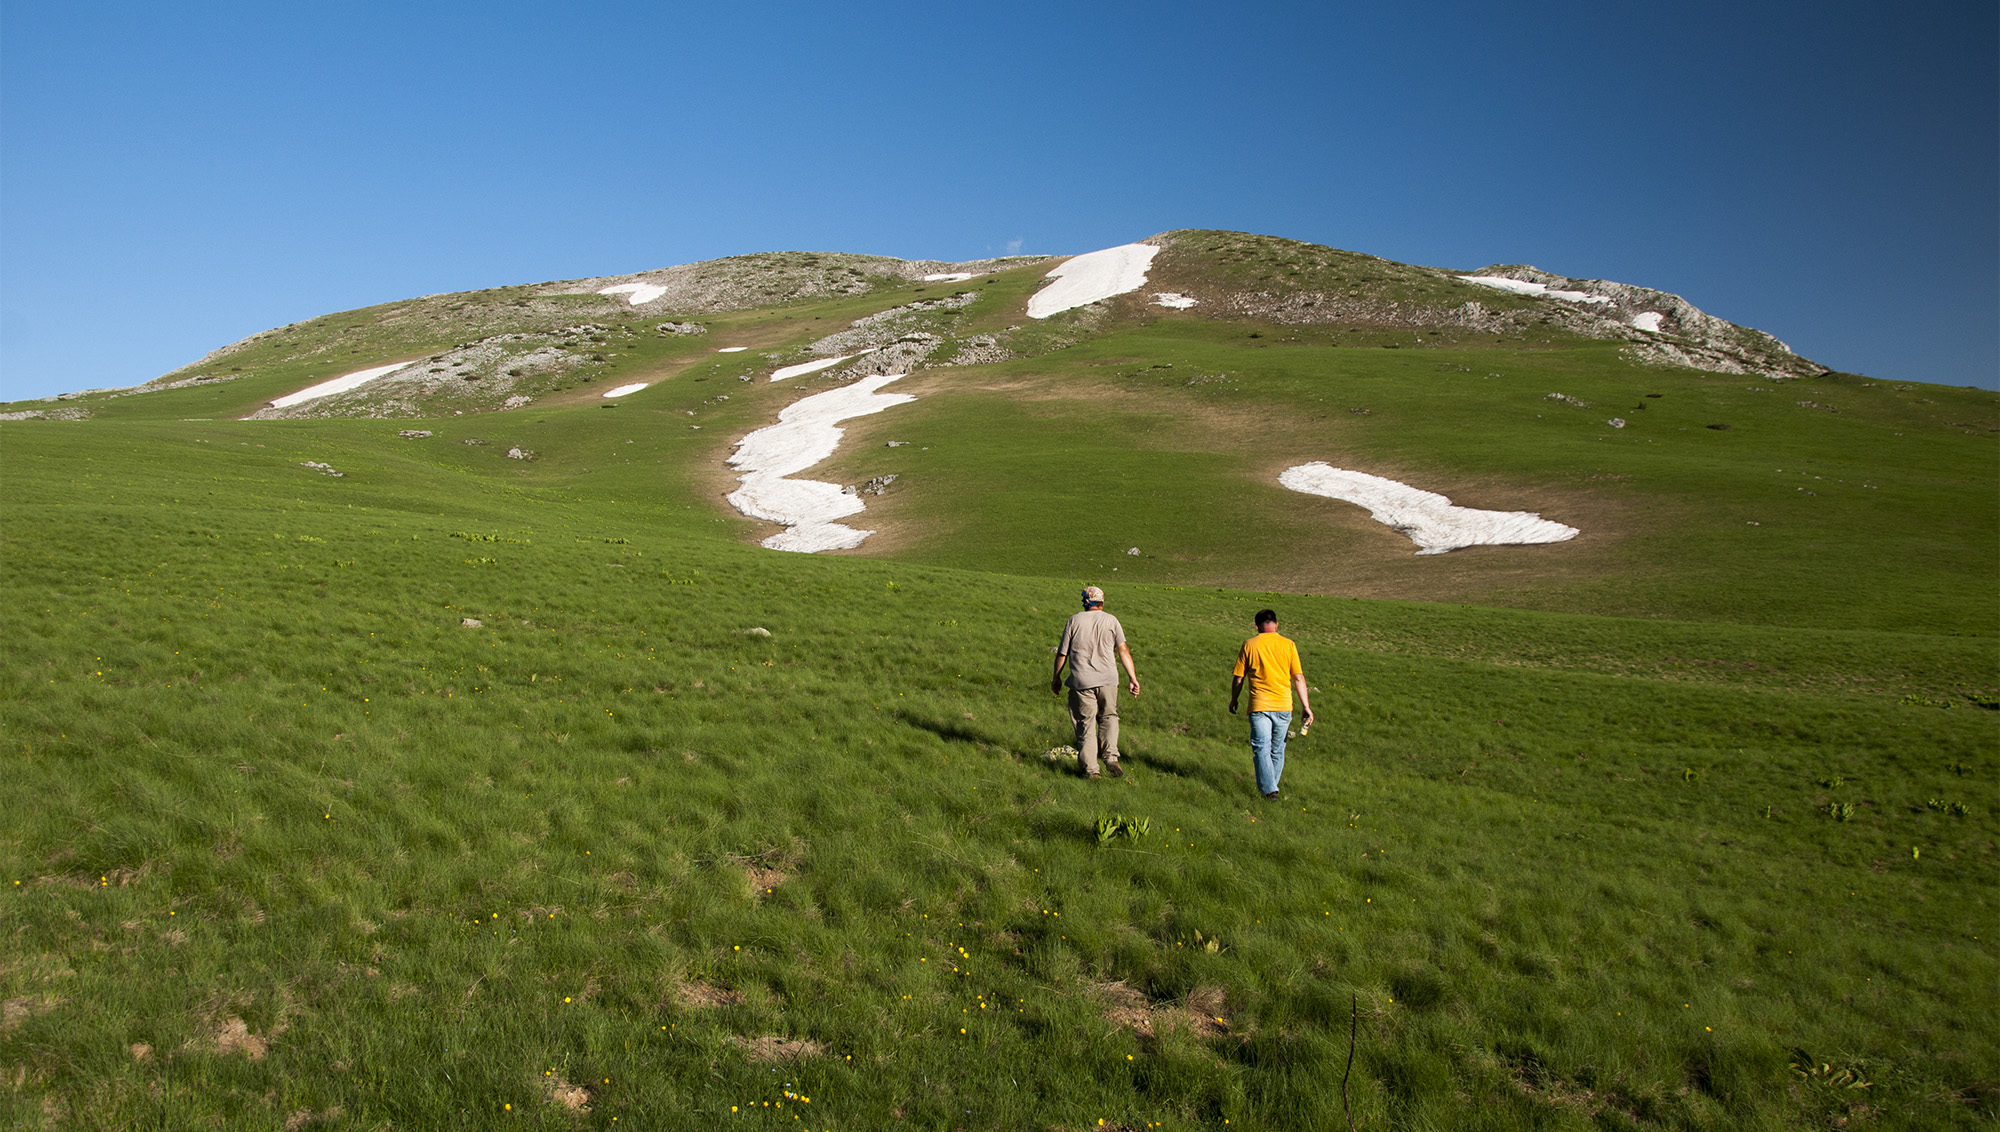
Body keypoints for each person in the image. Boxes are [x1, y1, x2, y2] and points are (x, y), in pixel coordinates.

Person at [1051, 585, 1141, 779]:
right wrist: (1132, 678)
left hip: (1082, 682)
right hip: (1109, 680)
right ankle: (1111, 757)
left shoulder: (1074, 621)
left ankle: (1091, 770)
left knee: (1086, 724)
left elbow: (1062, 653)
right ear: (1102, 602)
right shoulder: (1112, 621)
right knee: (1110, 717)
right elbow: (1123, 651)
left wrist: (1056, 677)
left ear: (1086, 601)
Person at [1229, 608, 1313, 799]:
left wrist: (1234, 699)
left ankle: (1269, 790)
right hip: (1284, 705)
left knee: (1261, 748)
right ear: (1275, 625)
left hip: (1259, 706)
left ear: (1257, 626)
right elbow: (1298, 677)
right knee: (1277, 749)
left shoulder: (1249, 645)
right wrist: (1306, 706)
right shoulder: (1289, 645)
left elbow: (1238, 678)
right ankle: (1270, 790)